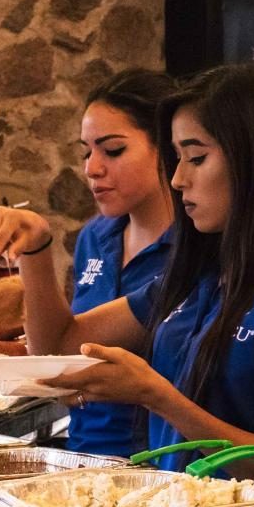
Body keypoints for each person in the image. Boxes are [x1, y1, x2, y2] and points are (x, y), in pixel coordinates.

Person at [0, 63, 254, 497]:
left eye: (196, 158)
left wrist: (156, 395)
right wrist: (36, 250)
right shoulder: (206, 276)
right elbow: (60, 346)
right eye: (178, 158)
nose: (179, 179)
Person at [61, 68, 178, 457]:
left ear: (167, 148)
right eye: (86, 151)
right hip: (84, 453)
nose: (92, 168)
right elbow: (68, 348)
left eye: (112, 151)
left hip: (161, 462)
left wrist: (35, 253)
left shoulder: (195, 249)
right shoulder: (96, 237)